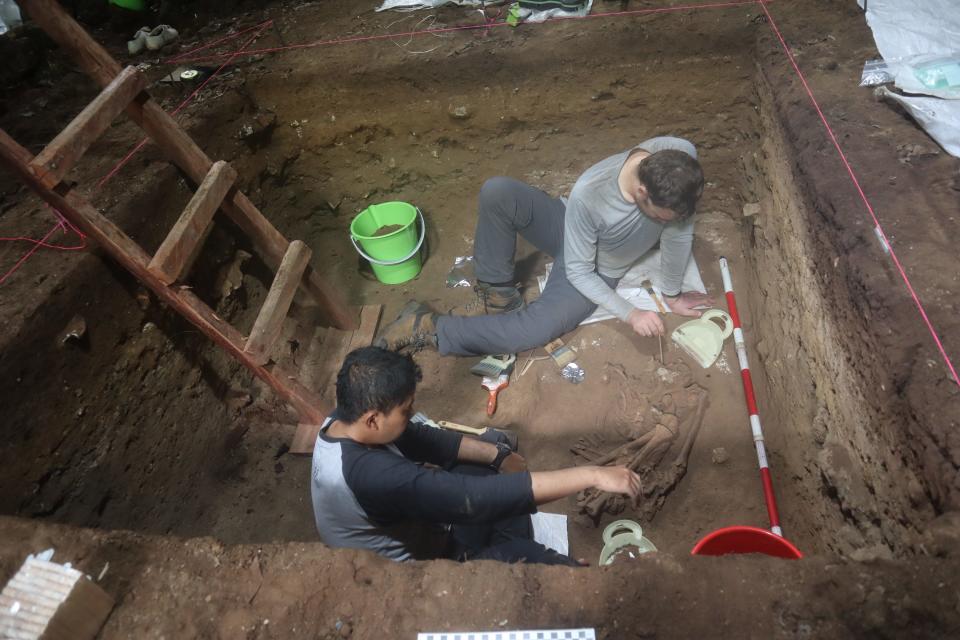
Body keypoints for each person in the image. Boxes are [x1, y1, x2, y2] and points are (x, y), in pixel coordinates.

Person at [374, 136, 714, 356]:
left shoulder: (680, 154)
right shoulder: (589, 194)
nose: (671, 222)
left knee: (534, 324)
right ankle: (433, 321)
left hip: (604, 255)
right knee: (499, 193)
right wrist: (631, 313)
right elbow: (579, 271)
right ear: (642, 192)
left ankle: (452, 318)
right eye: (663, 217)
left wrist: (671, 294)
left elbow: (679, 231)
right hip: (584, 254)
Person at [311, 346, 642, 564]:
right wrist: (592, 474)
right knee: (522, 558)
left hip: (418, 526)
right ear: (373, 419)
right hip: (419, 568)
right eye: (405, 410)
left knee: (484, 474)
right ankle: (540, 563)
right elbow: (471, 499)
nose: (412, 415)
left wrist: (498, 455)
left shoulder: (343, 419)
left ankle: (504, 542)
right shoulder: (373, 476)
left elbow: (426, 440)